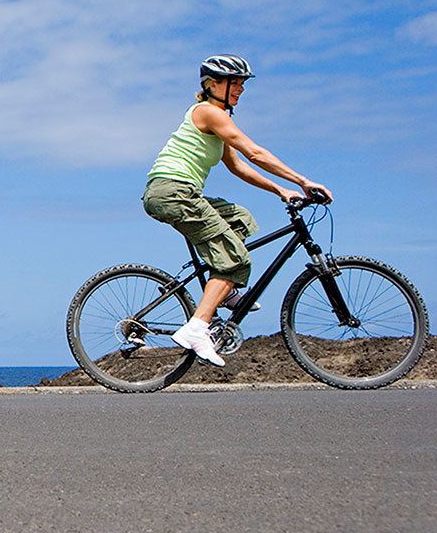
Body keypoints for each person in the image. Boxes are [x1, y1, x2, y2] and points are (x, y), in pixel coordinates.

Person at [142, 56, 333, 366]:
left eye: (243, 83)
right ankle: (197, 327)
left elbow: (238, 166)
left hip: (177, 192)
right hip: (174, 192)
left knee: (241, 218)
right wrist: (302, 180)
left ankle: (224, 291)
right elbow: (254, 152)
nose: (242, 88)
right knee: (235, 261)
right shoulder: (208, 113)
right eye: (236, 82)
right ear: (212, 84)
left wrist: (280, 190)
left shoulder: (218, 119)